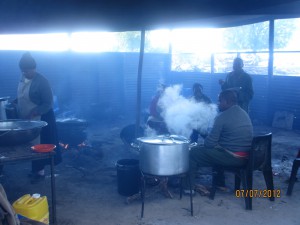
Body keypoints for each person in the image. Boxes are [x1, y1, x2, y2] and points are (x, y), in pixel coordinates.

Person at [184, 90, 253, 193]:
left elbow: (209, 144)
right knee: (207, 149)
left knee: (192, 153)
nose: (218, 103)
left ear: (227, 102)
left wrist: (205, 137)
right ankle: (220, 183)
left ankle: (188, 188)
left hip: (234, 157)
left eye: (220, 101)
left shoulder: (222, 117)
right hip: (247, 156)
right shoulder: (243, 113)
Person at [16, 52, 62, 183]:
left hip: (42, 118)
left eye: (28, 71)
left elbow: (48, 103)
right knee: (32, 144)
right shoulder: (22, 78)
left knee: (40, 145)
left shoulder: (42, 81)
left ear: (34, 68)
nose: (25, 73)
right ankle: (35, 169)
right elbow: (23, 95)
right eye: (23, 71)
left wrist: (35, 112)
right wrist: (15, 101)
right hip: (29, 120)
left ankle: (40, 172)